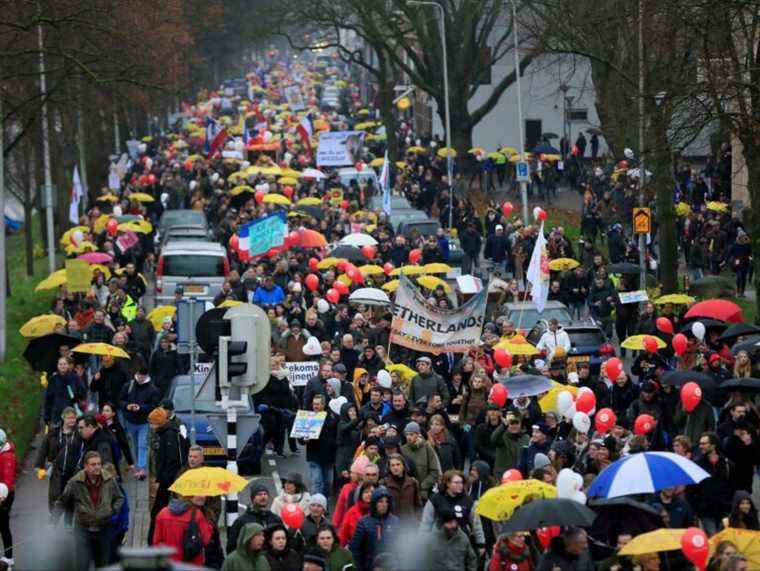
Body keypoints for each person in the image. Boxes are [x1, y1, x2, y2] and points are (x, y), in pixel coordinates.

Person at [53, 451, 125, 570]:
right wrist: (52, 522)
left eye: (99, 464)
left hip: (104, 529)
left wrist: (112, 511)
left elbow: (119, 498)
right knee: (82, 565)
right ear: (85, 466)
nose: (97, 467)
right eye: (93, 464)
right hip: (83, 531)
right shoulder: (75, 482)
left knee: (102, 566)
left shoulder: (109, 479)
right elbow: (62, 502)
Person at [147, 406, 187, 545]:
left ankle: (153, 543)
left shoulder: (168, 435)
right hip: (166, 480)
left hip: (168, 482)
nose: (150, 426)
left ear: (158, 422)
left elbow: (171, 460)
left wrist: (163, 480)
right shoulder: (165, 433)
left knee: (157, 513)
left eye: (152, 422)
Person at [35, 407, 81, 513]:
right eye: (69, 418)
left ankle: (68, 524)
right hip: (56, 470)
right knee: (55, 496)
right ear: (63, 418)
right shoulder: (53, 433)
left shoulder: (78, 434)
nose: (72, 420)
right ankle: (53, 521)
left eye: (74, 418)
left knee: (71, 496)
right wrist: (39, 466)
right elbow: (43, 450)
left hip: (72, 471)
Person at [119, 365, 161, 479]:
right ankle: (139, 466)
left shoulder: (152, 389)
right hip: (130, 420)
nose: (140, 378)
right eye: (139, 375)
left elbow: (154, 406)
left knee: (142, 444)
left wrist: (140, 408)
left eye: (143, 376)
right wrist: (127, 406)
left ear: (147, 376)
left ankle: (142, 469)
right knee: (135, 444)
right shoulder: (129, 386)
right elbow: (121, 400)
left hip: (144, 421)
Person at [152, 495, 213, 566]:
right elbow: (206, 540)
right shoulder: (197, 514)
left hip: (168, 563)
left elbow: (156, 543)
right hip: (191, 564)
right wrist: (209, 525)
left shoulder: (162, 513)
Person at [349, 487, 399, 571]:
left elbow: (400, 548)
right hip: (369, 567)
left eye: (387, 501)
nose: (384, 504)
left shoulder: (395, 521)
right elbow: (355, 550)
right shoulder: (364, 522)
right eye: (380, 501)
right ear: (374, 503)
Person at [226, 482, 283, 555]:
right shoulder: (242, 521)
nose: (263, 497)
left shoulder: (275, 519)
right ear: (252, 499)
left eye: (265, 494)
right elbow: (232, 547)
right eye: (259, 494)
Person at [305, 394, 337, 498]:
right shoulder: (307, 417)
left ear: (324, 404)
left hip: (328, 457)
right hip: (314, 456)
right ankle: (316, 507)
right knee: (316, 483)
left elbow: (337, 435)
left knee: (327, 484)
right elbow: (300, 436)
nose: (315, 406)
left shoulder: (332, 417)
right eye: (314, 404)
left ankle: (324, 505)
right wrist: (303, 439)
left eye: (318, 404)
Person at [400, 421, 441, 501]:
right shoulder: (402, 450)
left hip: (424, 493)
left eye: (411, 434)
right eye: (407, 434)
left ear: (418, 434)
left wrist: (422, 486)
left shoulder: (427, 448)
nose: (408, 437)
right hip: (406, 492)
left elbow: (434, 472)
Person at [0, 430, 15, 567]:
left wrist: (2, 495)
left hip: (5, 495)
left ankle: (8, 557)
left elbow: (7, 481)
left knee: (3, 525)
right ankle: (8, 556)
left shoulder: (6, 457)